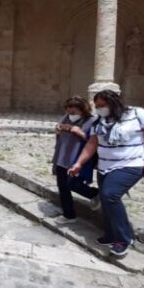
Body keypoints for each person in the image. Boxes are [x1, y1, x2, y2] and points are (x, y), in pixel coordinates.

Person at [69, 90, 144, 257]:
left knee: (110, 195)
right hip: (105, 166)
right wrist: (79, 163)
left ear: (114, 103)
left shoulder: (137, 114)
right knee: (106, 202)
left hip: (131, 164)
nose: (99, 109)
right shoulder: (100, 121)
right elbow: (91, 144)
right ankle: (111, 234)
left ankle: (123, 238)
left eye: (102, 106)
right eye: (97, 106)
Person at [52, 96, 99, 225]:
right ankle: (69, 215)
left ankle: (97, 194)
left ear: (82, 110)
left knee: (74, 184)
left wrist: (78, 132)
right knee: (63, 187)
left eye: (73, 112)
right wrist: (59, 129)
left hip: (78, 159)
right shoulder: (67, 117)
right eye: (68, 111)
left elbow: (94, 141)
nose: (70, 115)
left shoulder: (92, 121)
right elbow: (59, 130)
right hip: (62, 157)